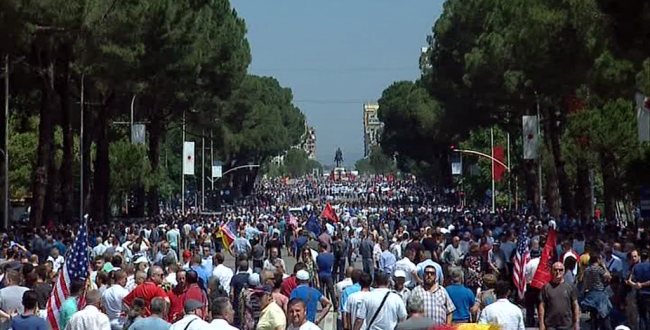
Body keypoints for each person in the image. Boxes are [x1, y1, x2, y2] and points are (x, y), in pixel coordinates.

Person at [538, 262, 580, 330]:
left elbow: (575, 305)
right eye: (555, 270)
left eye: (560, 270)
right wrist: (541, 323)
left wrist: (576, 322)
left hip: (566, 324)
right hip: (550, 324)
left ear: (564, 271)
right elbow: (542, 306)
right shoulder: (546, 287)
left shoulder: (570, 287)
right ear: (551, 271)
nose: (558, 272)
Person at [582, 253, 613, 330]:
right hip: (600, 293)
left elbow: (585, 283)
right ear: (598, 259)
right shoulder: (598, 268)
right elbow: (608, 276)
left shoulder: (587, 269)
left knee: (593, 316)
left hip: (591, 294)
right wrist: (604, 266)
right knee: (604, 315)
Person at [316, 242, 336, 309]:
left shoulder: (319, 256)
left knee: (322, 291)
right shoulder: (331, 256)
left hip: (321, 274)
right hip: (328, 274)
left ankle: (324, 305)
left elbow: (318, 266)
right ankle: (335, 304)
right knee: (331, 290)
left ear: (321, 247)